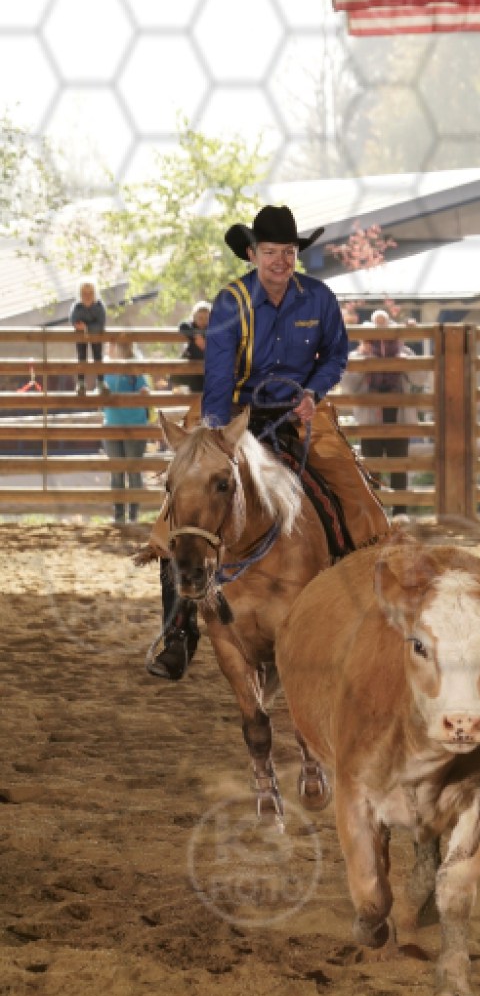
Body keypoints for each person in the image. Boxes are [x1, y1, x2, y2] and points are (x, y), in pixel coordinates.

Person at [146, 205, 390, 680]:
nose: (280, 260)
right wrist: (220, 439)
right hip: (230, 415)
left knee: (359, 501)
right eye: (271, 252)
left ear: (296, 254)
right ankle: (179, 632)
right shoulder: (230, 303)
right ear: (252, 254)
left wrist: (312, 393)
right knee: (181, 511)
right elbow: (218, 376)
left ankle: (362, 602)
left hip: (300, 414)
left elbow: (335, 354)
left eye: (288, 252)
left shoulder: (318, 298)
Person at [358, 310, 410, 513]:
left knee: (399, 465)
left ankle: (400, 513)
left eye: (384, 326)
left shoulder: (403, 352)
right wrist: (364, 358)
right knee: (372, 466)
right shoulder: (360, 354)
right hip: (371, 416)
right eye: (376, 326)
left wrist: (403, 359)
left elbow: (421, 377)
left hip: (397, 413)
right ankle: (375, 514)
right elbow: (349, 384)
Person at [101, 339, 150, 525]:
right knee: (117, 472)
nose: (107, 347)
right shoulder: (105, 369)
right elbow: (99, 391)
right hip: (112, 425)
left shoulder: (134, 367)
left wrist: (144, 391)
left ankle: (133, 516)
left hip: (135, 425)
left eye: (111, 344)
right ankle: (119, 515)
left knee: (133, 471)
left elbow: (144, 388)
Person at [70, 281, 106, 393]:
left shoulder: (99, 306)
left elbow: (100, 324)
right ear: (80, 295)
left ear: (94, 294)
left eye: (90, 293)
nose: (87, 296)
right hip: (81, 337)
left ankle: (100, 382)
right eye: (84, 293)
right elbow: (74, 320)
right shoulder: (77, 307)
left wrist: (86, 327)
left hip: (96, 336)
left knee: (98, 357)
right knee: (81, 357)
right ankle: (81, 383)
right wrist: (79, 326)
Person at [171, 301, 210, 396]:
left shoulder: (213, 328)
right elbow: (182, 325)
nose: (203, 321)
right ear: (194, 318)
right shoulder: (192, 327)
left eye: (206, 318)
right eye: (200, 318)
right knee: (196, 392)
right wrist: (195, 336)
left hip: (208, 367)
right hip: (193, 368)